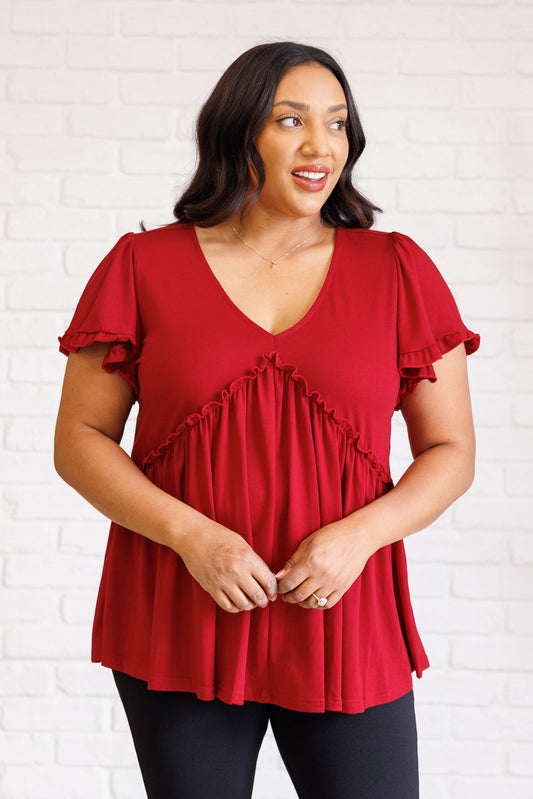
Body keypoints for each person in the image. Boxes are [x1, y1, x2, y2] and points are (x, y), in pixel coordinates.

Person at [54, 41, 480, 799]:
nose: (321, 146)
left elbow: (449, 451)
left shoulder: (394, 269)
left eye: (337, 124)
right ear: (238, 130)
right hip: (180, 609)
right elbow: (80, 442)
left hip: (343, 614)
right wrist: (194, 536)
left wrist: (359, 536)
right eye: (291, 121)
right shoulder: (143, 265)